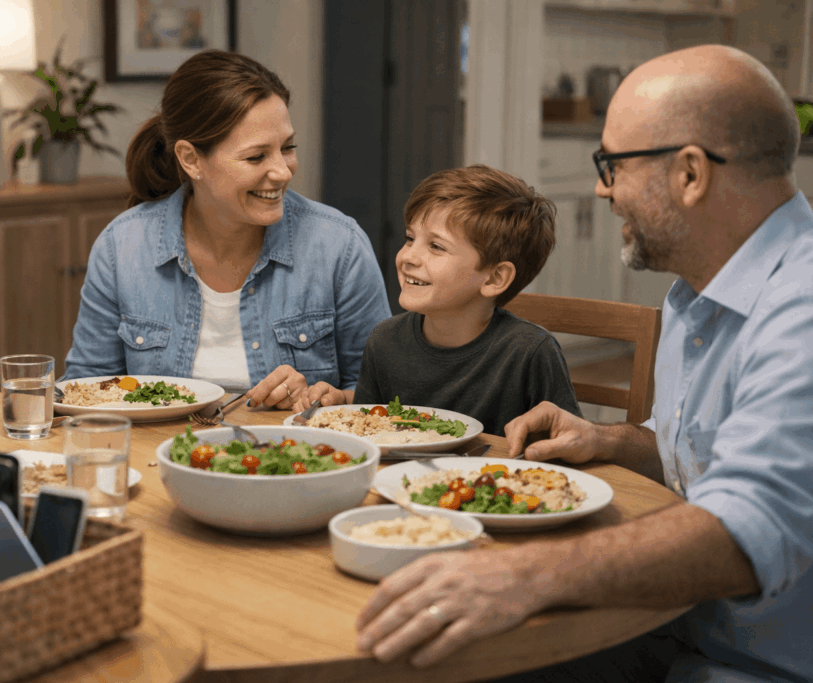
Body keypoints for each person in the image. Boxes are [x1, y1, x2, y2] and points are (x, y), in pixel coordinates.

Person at [352, 44, 813, 682]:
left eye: (612, 164)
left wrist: (524, 575)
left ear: (689, 174)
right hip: (661, 626)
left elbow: (753, 525)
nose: (601, 189)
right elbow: (704, 460)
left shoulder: (802, 305)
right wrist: (611, 439)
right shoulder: (695, 297)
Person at [63, 50, 391, 410]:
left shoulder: (339, 247)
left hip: (293, 460)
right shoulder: (122, 246)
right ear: (191, 159)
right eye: (256, 157)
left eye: (288, 148)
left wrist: (332, 398)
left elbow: (385, 397)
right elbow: (85, 391)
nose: (282, 171)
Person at [310, 165, 581, 436]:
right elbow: (369, 434)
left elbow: (567, 444)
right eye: (410, 238)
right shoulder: (383, 342)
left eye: (436, 247)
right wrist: (343, 401)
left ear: (494, 279)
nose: (408, 257)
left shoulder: (531, 352)